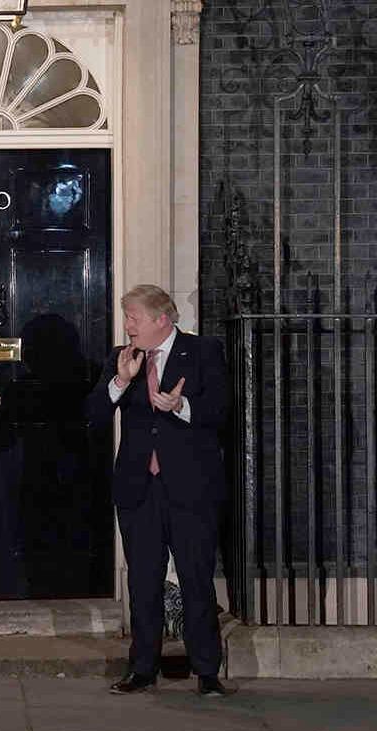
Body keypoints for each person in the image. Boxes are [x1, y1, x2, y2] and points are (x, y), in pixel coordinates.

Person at [85, 284, 229, 697]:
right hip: (139, 488)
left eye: (134, 317)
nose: (127, 325)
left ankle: (207, 672)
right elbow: (93, 414)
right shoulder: (122, 358)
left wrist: (180, 407)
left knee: (196, 578)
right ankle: (142, 669)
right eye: (126, 316)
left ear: (161, 320)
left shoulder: (202, 352)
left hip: (191, 488)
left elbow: (220, 411)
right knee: (143, 581)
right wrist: (119, 381)